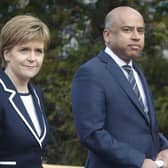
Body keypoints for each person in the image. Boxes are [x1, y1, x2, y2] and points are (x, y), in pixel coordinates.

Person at [71, 6, 168, 168]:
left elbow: (145, 127)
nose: (136, 37)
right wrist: (138, 161)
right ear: (107, 35)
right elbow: (91, 134)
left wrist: (165, 147)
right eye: (127, 30)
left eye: (141, 31)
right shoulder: (90, 73)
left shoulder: (137, 72)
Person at [0, 15, 50, 168]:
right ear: (7, 53)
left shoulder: (36, 94)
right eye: (24, 50)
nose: (32, 58)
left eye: (38, 51)